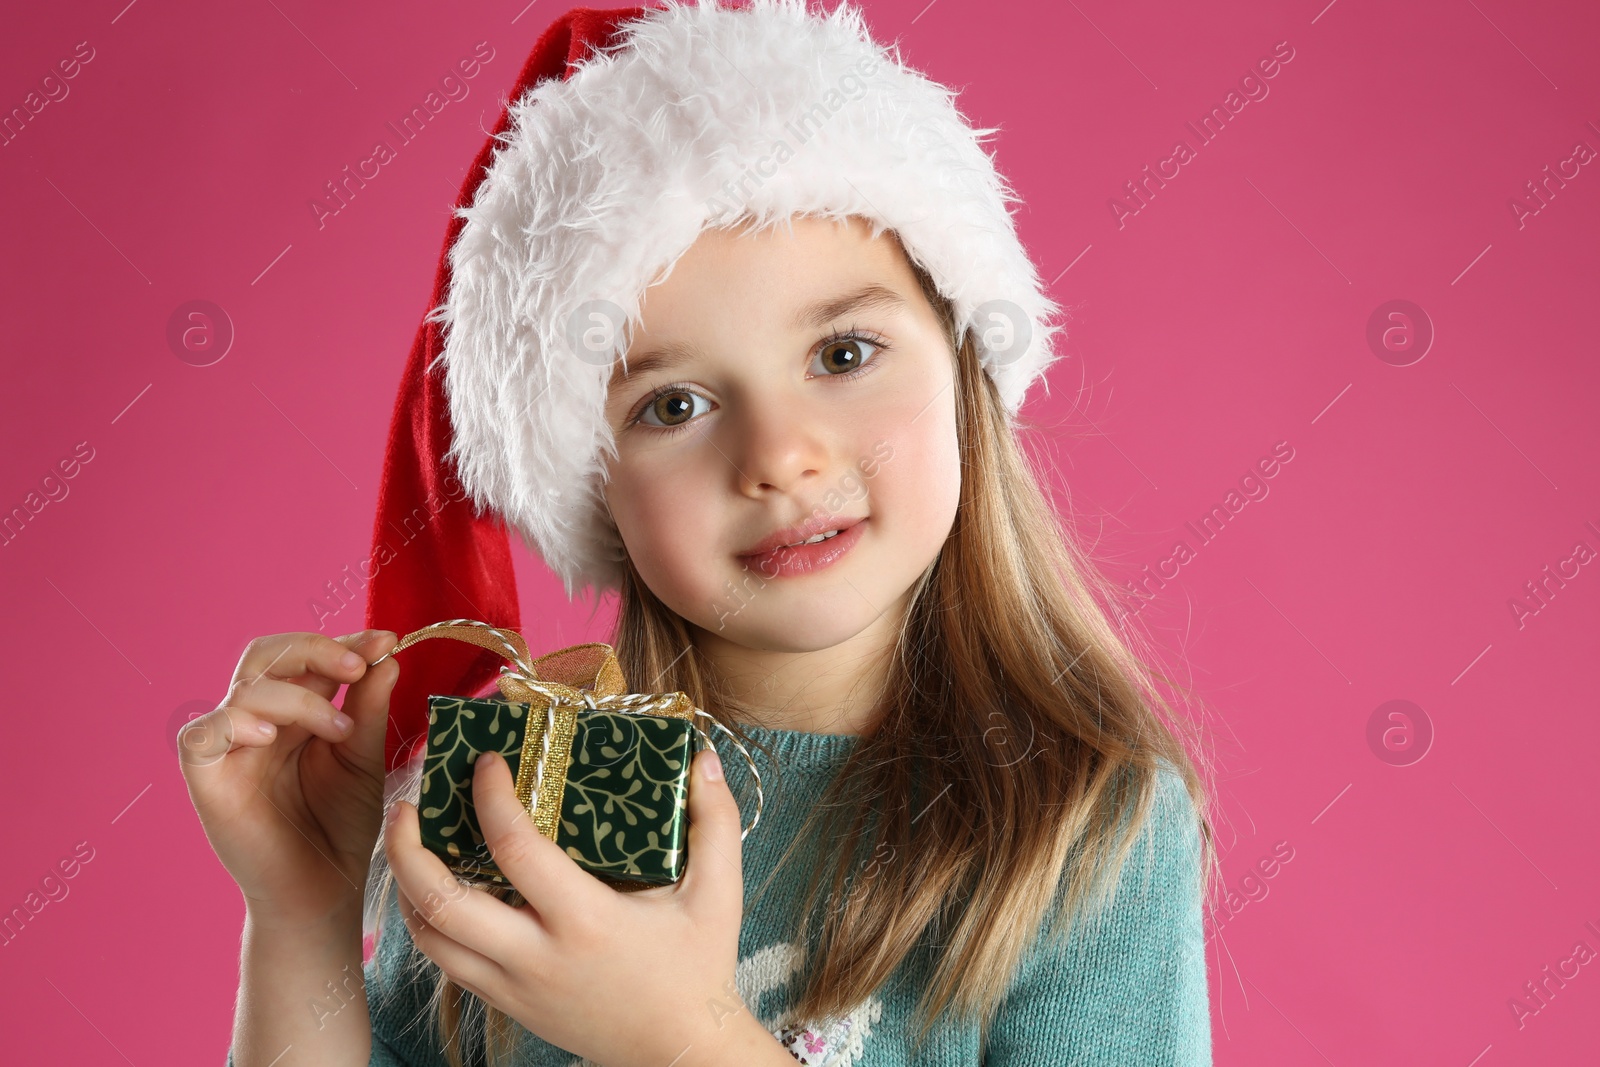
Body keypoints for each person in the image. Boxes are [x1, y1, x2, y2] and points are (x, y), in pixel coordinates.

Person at [179, 1, 1218, 1065]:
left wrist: (680, 1038)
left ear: (962, 356)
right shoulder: (511, 785)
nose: (778, 454)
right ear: (596, 487)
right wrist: (302, 912)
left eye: (844, 352)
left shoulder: (1086, 827)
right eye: (673, 406)